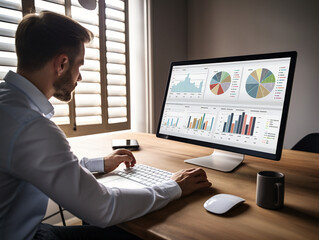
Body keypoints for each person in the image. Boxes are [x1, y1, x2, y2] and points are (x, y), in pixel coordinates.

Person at [0, 11, 212, 240]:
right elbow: (103, 208)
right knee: (133, 233)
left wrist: (100, 163)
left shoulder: (10, 105)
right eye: (79, 65)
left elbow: (43, 163)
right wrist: (174, 187)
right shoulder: (31, 126)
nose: (79, 77)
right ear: (62, 63)